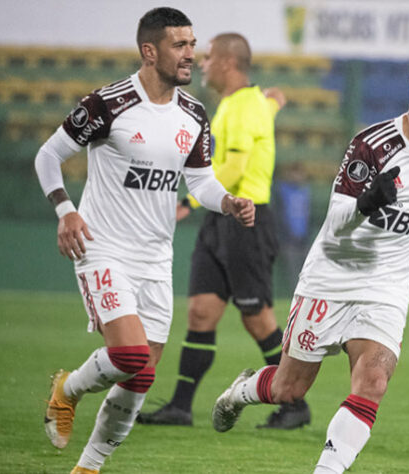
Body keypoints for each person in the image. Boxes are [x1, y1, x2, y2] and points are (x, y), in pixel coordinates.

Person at [212, 45, 409, 473]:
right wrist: (368, 202)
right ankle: (240, 392)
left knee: (373, 383)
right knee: (288, 389)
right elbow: (335, 224)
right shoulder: (371, 146)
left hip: (386, 290)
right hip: (331, 280)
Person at [34, 8, 254, 474]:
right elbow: (49, 155)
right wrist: (65, 209)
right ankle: (68, 389)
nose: (191, 54)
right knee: (130, 355)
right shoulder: (108, 104)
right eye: (180, 45)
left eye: (193, 44)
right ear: (149, 51)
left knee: (144, 373)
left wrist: (229, 201)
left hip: (156, 257)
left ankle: (88, 468)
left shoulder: (194, 113)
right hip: (102, 247)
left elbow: (200, 183)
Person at [136, 32, 311, 429]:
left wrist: (187, 202)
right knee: (200, 312)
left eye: (210, 56)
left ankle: (295, 404)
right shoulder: (243, 105)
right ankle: (180, 406)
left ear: (229, 64)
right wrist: (273, 102)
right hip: (221, 220)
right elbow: (260, 113)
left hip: (245, 220)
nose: (202, 62)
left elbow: (232, 170)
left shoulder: (243, 108)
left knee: (258, 318)